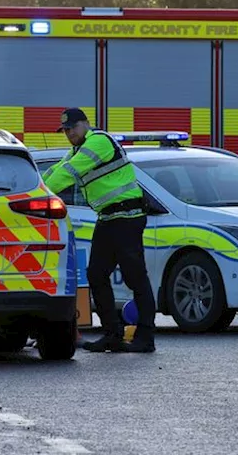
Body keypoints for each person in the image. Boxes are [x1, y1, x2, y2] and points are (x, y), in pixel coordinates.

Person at [40, 108, 156, 353]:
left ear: (85, 124)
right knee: (96, 274)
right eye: (65, 130)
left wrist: (39, 191)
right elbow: (55, 170)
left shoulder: (99, 141)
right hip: (108, 219)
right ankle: (112, 334)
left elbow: (67, 173)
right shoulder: (78, 150)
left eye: (72, 128)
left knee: (135, 276)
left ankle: (146, 337)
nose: (69, 134)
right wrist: (36, 182)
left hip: (127, 217)